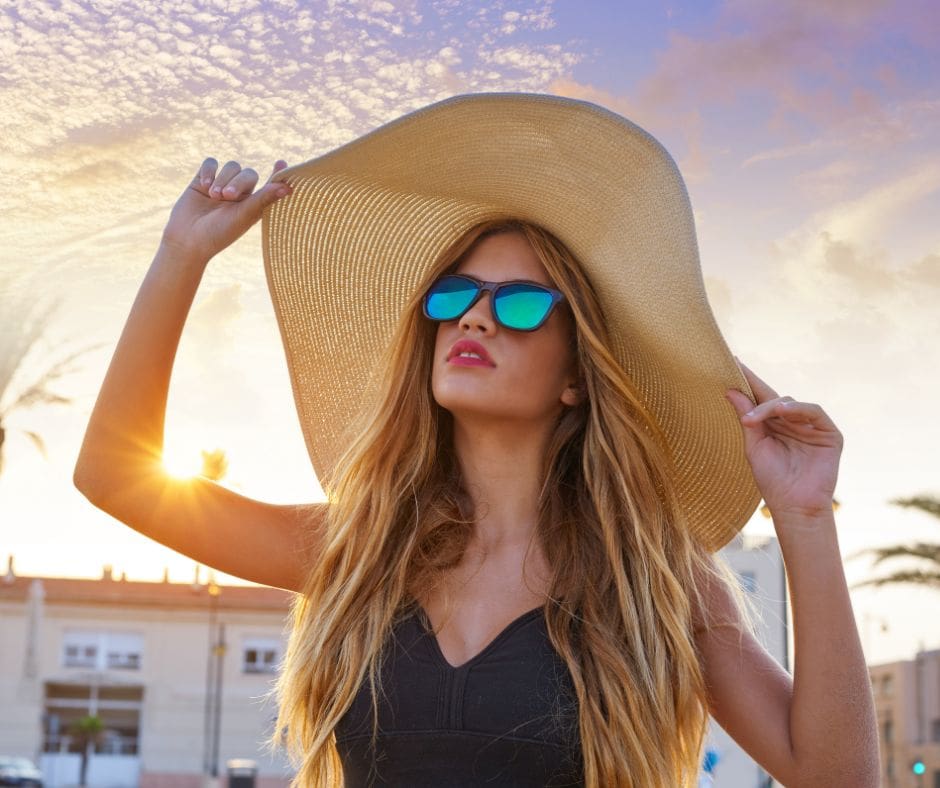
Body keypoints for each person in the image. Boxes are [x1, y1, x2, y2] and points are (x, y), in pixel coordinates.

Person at [74, 94, 879, 787]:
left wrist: (807, 517)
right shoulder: (355, 547)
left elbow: (834, 776)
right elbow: (114, 474)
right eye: (456, 293)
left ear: (576, 374)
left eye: (522, 303)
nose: (475, 315)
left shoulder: (652, 576)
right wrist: (181, 256)